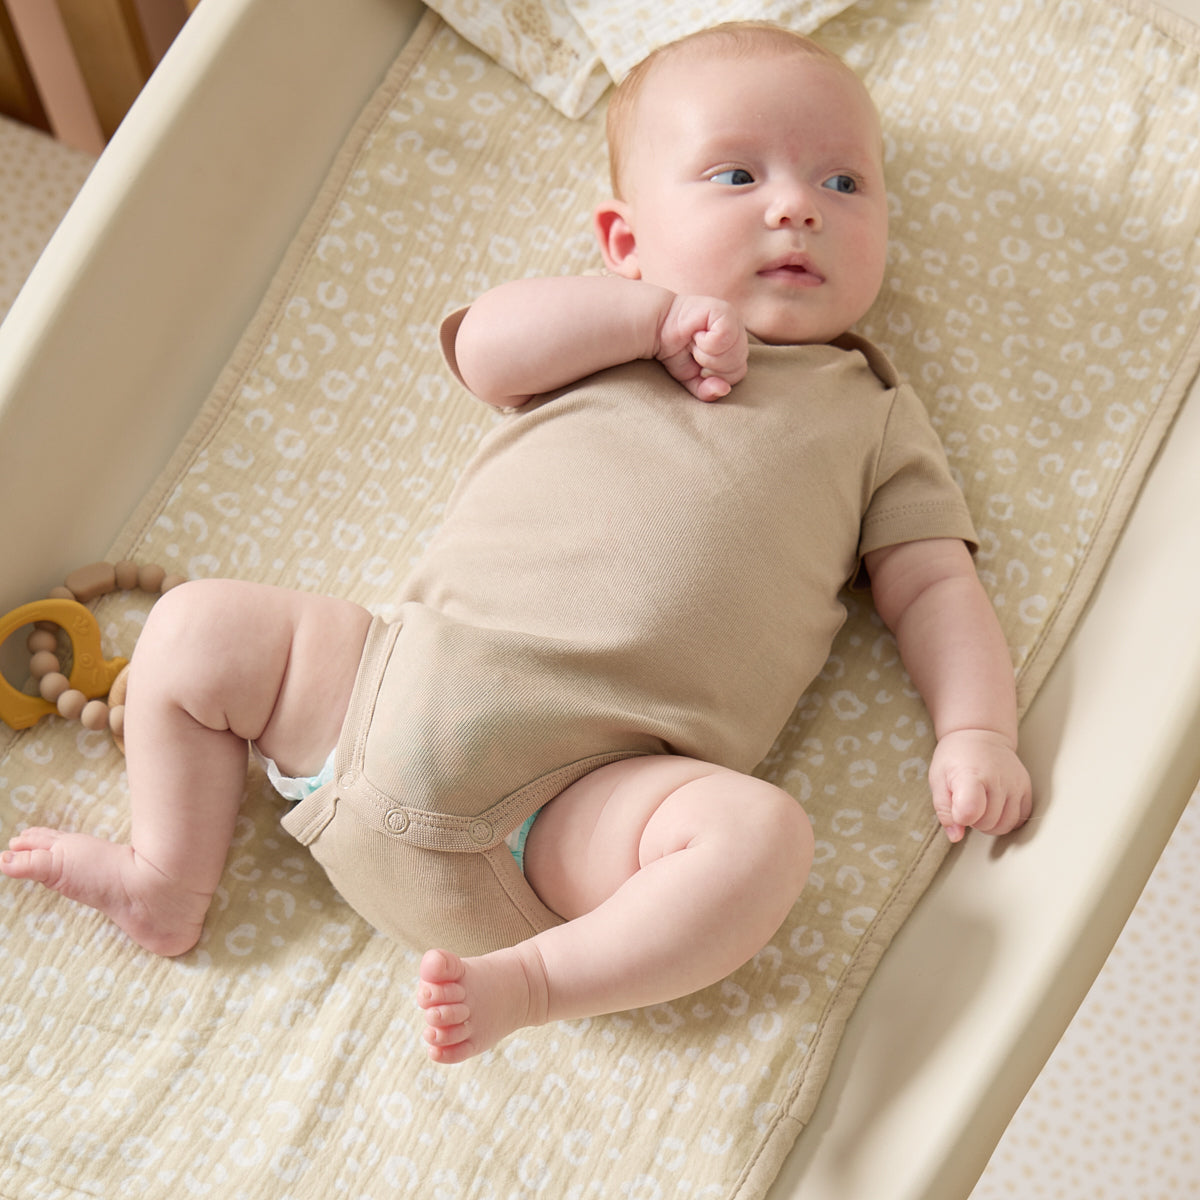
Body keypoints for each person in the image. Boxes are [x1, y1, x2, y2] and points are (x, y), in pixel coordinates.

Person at [1, 22, 1031, 1065]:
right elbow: (486, 350)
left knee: (760, 839)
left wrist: (976, 729)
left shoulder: (873, 415)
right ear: (626, 240)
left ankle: (538, 982)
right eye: (735, 173)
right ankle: (169, 881)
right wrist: (649, 322)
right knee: (197, 627)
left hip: (577, 817)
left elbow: (935, 586)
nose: (797, 204)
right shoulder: (606, 329)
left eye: (847, 183)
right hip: (370, 706)